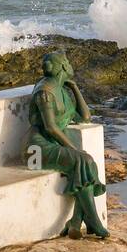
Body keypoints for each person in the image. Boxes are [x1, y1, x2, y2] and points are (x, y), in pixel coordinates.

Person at [25, 51, 109, 239]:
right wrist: (74, 149)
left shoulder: (61, 89)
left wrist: (75, 88)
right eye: (68, 62)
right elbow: (51, 127)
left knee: (87, 162)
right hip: (37, 149)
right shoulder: (45, 91)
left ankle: (77, 220)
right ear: (63, 66)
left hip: (53, 143)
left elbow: (85, 117)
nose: (71, 65)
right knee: (83, 159)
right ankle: (92, 221)